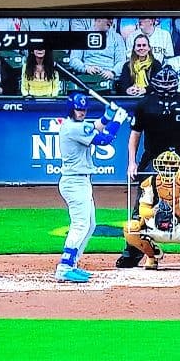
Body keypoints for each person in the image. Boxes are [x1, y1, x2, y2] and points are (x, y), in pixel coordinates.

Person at [115, 65, 180, 269]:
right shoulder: (144, 104)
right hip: (153, 159)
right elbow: (135, 135)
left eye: (170, 84)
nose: (166, 87)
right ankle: (133, 250)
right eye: (163, 84)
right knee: (142, 203)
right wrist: (132, 162)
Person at [55, 93, 128, 283]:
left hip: (81, 182)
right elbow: (104, 139)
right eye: (78, 109)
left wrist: (107, 116)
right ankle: (64, 267)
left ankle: (72, 264)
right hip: (74, 183)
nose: (82, 112)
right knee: (80, 225)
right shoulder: (72, 128)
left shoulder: (77, 125)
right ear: (71, 109)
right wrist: (117, 121)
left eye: (84, 110)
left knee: (90, 224)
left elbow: (93, 127)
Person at [123, 150, 180, 270]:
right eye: (164, 165)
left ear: (179, 166)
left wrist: (179, 219)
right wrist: (156, 212)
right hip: (157, 225)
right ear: (158, 166)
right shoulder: (150, 182)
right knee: (130, 228)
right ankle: (152, 254)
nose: (168, 169)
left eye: (172, 165)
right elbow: (142, 209)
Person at [67, 17, 127, 90]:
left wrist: (113, 72)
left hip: (108, 77)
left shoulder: (117, 38)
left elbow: (121, 61)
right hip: (87, 77)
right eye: (108, 18)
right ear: (98, 19)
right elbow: (73, 60)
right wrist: (86, 68)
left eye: (112, 19)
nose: (111, 21)